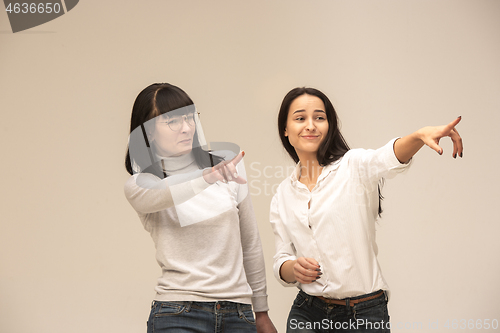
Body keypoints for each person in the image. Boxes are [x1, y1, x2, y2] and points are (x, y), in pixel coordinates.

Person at [270, 87, 463, 332]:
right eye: (300, 118)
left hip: (362, 314)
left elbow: (388, 158)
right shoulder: (282, 194)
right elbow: (281, 259)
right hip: (307, 313)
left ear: (329, 125)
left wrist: (417, 137)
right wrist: (293, 269)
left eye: (319, 117)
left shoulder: (353, 165)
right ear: (285, 129)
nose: (310, 125)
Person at [124, 83, 277, 333]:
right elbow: (165, 193)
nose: (186, 127)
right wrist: (207, 176)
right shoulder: (142, 184)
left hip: (238, 313)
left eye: (189, 117)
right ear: (148, 132)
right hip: (178, 313)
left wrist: (261, 312)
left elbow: (249, 242)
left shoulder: (228, 169)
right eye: (173, 121)